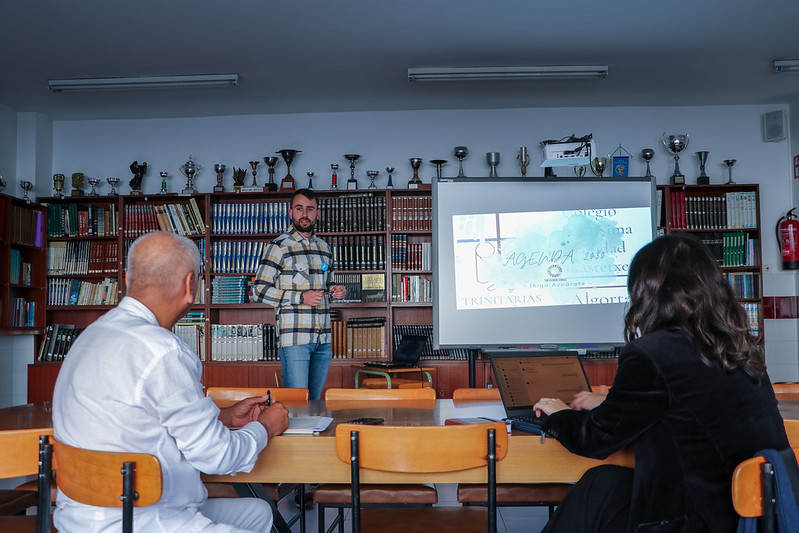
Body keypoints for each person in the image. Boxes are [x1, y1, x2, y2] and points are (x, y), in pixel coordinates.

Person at [533, 233, 789, 533]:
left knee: (595, 491)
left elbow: (595, 439)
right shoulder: (737, 349)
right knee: (602, 482)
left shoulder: (652, 353)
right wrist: (609, 403)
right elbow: (691, 407)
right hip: (751, 518)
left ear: (646, 293)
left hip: (697, 520)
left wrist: (559, 414)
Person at [52, 231, 289, 533]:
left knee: (258, 513)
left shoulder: (91, 336)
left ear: (127, 279)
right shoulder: (163, 350)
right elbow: (218, 457)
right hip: (147, 520)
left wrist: (225, 416)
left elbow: (143, 417)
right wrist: (266, 427)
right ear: (191, 285)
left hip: (81, 518)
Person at [252, 188, 345, 400]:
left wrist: (335, 291)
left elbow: (324, 287)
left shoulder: (324, 248)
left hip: (323, 339)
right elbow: (258, 290)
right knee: (298, 405)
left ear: (317, 213)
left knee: (314, 404)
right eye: (299, 208)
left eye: (310, 209)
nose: (305, 214)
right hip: (295, 340)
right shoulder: (279, 246)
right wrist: (299, 297)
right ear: (290, 212)